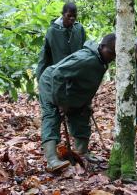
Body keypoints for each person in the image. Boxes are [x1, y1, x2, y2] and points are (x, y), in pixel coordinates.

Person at [38, 33, 116, 172]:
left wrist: (84, 103)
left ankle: (81, 152)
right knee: (52, 116)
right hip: (51, 84)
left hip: (70, 90)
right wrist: (61, 102)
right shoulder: (86, 59)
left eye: (115, 55)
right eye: (110, 52)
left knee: (81, 113)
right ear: (102, 47)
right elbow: (57, 74)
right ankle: (51, 160)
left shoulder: (100, 60)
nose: (112, 57)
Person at [36, 2, 86, 81]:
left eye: (74, 16)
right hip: (59, 75)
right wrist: (40, 77)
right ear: (63, 14)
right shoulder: (52, 31)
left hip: (76, 74)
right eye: (69, 15)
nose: (72, 18)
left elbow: (84, 51)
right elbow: (45, 55)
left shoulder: (79, 29)